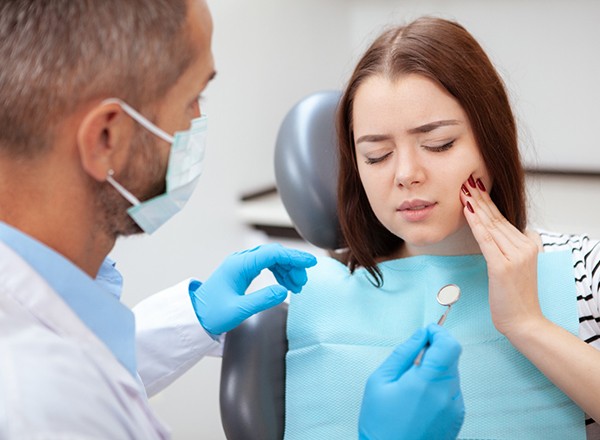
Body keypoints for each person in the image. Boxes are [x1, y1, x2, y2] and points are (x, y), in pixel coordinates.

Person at [0, 1, 464, 439]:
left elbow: (94, 365)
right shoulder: (38, 402)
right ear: (106, 138)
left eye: (440, 143)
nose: (199, 121)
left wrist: (193, 317)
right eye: (192, 98)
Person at [284, 16, 600, 440]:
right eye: (376, 155)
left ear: (492, 140)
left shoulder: (584, 268)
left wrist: (529, 324)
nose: (407, 174)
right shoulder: (313, 301)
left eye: (439, 144)